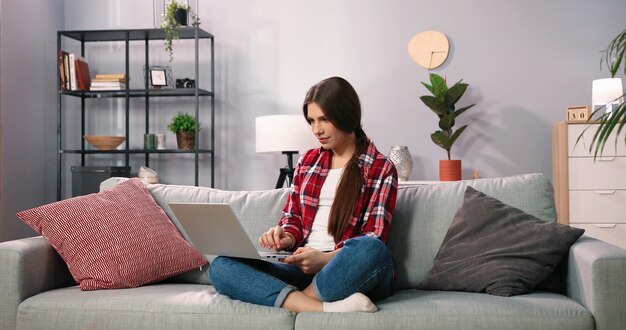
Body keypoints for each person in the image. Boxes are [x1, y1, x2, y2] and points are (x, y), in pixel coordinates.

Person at [209, 76, 398, 313]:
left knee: (372, 250)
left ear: (347, 116)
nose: (316, 129)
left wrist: (326, 259)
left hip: (344, 267)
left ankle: (294, 300)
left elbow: (374, 235)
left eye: (324, 119)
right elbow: (293, 217)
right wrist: (285, 236)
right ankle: (320, 308)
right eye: (311, 120)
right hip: (301, 267)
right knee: (221, 266)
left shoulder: (381, 167)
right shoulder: (308, 162)